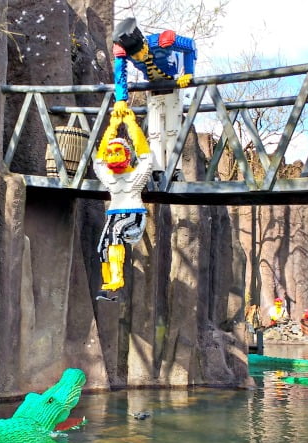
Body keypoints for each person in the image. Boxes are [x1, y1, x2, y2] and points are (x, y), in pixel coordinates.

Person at [110, 17, 196, 177]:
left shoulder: (162, 42)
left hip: (172, 85)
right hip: (153, 89)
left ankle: (174, 169)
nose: (137, 58)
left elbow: (190, 46)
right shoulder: (125, 53)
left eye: (138, 54)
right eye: (133, 57)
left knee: (172, 129)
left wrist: (189, 72)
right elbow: (120, 72)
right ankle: (157, 169)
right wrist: (121, 99)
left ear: (143, 44)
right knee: (155, 132)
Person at [94, 108, 153, 302]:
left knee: (116, 232)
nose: (112, 155)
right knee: (102, 246)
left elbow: (146, 157)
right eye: (111, 152)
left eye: (117, 151)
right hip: (114, 214)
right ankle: (107, 284)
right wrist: (112, 126)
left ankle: (118, 277)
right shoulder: (110, 178)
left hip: (133, 215)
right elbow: (99, 161)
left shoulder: (136, 176)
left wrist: (130, 123)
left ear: (127, 155)